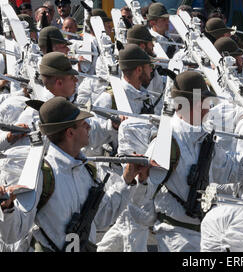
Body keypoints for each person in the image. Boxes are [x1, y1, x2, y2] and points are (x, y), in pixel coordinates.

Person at [0, 96, 147, 252]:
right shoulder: (42, 173)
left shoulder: (87, 169)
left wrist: (127, 179)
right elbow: (13, 233)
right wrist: (7, 209)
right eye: (83, 124)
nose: (89, 128)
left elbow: (103, 216)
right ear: (70, 133)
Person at [143, 71, 243, 252]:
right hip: (176, 239)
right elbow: (145, 197)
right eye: (205, 102)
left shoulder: (202, 137)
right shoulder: (165, 142)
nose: (209, 108)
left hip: (201, 233)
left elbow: (229, 168)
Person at [93, 44, 158, 115]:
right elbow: (93, 124)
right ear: (139, 70)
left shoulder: (145, 98)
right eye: (150, 66)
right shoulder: (109, 98)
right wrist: (112, 125)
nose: (151, 70)